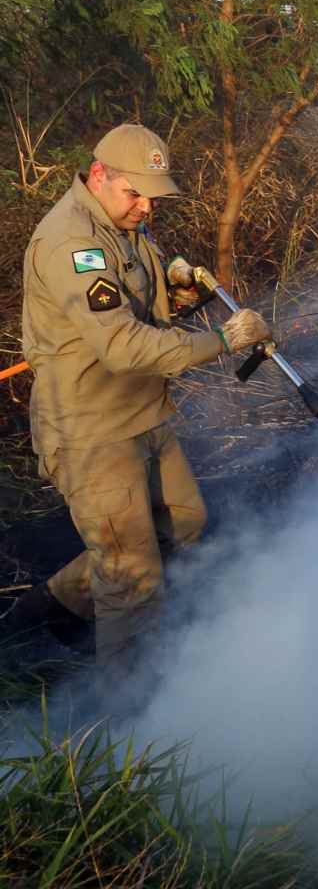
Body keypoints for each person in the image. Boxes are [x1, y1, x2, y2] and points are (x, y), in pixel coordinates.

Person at [1, 123, 271, 675]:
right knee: (133, 576)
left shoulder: (123, 226)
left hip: (142, 412)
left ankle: (48, 607)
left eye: (153, 194)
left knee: (184, 523)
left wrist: (176, 290)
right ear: (99, 176)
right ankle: (127, 720)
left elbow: (133, 309)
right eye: (135, 193)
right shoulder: (70, 241)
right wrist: (222, 341)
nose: (146, 206)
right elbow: (122, 345)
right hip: (92, 430)